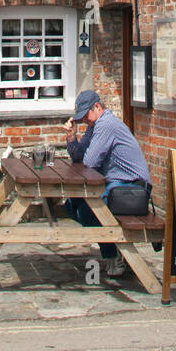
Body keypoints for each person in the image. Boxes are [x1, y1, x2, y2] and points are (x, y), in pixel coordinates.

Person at [62, 89, 151, 277]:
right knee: (72, 204)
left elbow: (89, 162)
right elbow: (79, 157)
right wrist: (71, 137)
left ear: (97, 107)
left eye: (86, 115)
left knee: (87, 210)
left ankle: (112, 255)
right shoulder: (95, 125)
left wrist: (81, 152)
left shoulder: (106, 124)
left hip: (133, 187)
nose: (84, 120)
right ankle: (115, 245)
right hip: (115, 185)